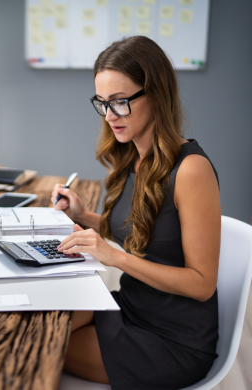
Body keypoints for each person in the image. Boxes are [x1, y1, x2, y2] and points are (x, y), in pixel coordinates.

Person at [51, 36, 220, 390]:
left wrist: (115, 258)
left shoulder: (191, 170)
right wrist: (86, 217)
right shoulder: (134, 157)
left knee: (42, 347)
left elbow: (202, 284)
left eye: (121, 102)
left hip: (173, 341)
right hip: (131, 307)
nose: (110, 115)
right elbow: (148, 235)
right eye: (103, 103)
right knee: (40, 322)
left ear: (156, 94)